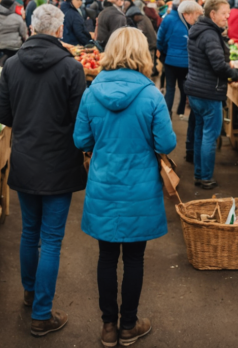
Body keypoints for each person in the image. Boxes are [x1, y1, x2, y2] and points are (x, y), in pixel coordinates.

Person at [73, 27, 175, 347]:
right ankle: (129, 326)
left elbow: (81, 140)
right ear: (142, 53)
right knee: (134, 259)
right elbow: (167, 143)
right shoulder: (151, 95)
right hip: (140, 188)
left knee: (106, 257)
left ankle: (108, 327)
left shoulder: (91, 93)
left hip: (103, 185)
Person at [0, 4, 85, 337]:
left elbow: (3, 114)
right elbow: (80, 120)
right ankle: (41, 314)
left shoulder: (12, 65)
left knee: (29, 233)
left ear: (31, 28)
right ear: (60, 31)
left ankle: (30, 293)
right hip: (60, 163)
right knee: (50, 240)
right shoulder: (71, 68)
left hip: (25, 159)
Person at [185, 0, 238, 189]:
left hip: (195, 89)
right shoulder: (209, 35)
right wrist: (236, 74)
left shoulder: (199, 30)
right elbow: (218, 65)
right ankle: (206, 178)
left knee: (201, 132)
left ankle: (200, 174)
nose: (228, 17)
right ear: (212, 14)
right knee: (210, 135)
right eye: (224, 13)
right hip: (208, 92)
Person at [157, 0, 201, 119]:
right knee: (184, 87)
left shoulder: (168, 19)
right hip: (186, 61)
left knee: (170, 87)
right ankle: (181, 110)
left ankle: (167, 114)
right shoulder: (192, 20)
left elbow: (160, 38)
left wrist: (164, 52)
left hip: (170, 59)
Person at [0, 0, 28, 65]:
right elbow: (23, 33)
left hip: (1, 46)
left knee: (0, 67)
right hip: (16, 47)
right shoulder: (18, 17)